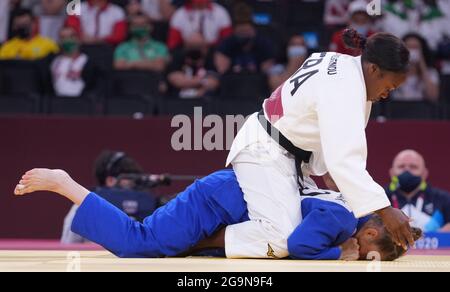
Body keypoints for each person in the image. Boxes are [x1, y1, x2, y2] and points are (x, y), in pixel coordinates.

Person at [224, 28, 414, 259]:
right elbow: (344, 161)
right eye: (389, 87)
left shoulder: (340, 64)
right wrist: (385, 211)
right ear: (373, 69)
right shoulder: (346, 88)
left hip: (286, 153)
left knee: (308, 231)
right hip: (265, 151)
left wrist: (329, 170)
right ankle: (203, 241)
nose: (387, 94)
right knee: (281, 239)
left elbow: (318, 121)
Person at [14, 168, 421, 260]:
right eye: (372, 259)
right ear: (369, 237)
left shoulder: (344, 210)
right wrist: (339, 256)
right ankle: (65, 183)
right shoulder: (340, 223)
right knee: (139, 244)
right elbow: (297, 244)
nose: (365, 261)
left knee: (174, 252)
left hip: (230, 199)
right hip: (220, 199)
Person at [61, 150, 158, 244]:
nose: (135, 184)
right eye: (130, 178)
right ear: (110, 180)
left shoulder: (148, 205)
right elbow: (68, 247)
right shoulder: (84, 206)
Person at [386, 149, 450, 233]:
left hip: (435, 245)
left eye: (413, 167)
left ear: (424, 173)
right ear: (392, 173)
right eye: (401, 166)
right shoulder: (380, 199)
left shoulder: (442, 198)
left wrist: (441, 236)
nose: (407, 171)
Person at [391, 33, 440, 102]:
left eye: (415, 47)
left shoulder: (431, 72)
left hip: (421, 111)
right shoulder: (393, 72)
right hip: (398, 110)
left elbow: (432, 96)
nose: (412, 51)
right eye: (409, 47)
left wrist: (422, 65)